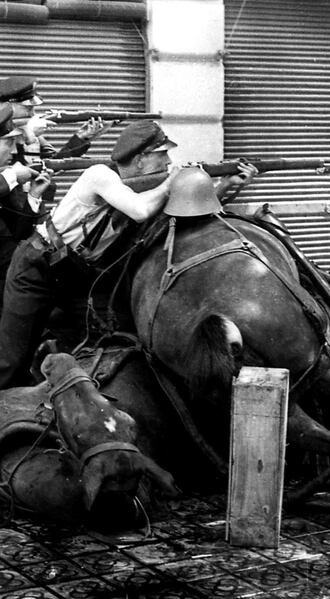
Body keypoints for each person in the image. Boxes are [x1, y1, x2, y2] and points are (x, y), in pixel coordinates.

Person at [0, 120, 257, 389]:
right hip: (37, 266)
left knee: (109, 336)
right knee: (12, 358)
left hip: (75, 274)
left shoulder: (146, 190)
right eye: (162, 155)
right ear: (141, 159)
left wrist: (226, 185)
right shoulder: (99, 175)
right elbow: (140, 210)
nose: (168, 162)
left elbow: (181, 216)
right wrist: (171, 182)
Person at [0, 103, 51, 308]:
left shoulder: (5, 179)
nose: (14, 151)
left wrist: (33, 196)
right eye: (8, 142)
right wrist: (12, 175)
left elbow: (18, 234)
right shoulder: (6, 178)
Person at [0, 75, 106, 162]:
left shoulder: (30, 133)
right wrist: (26, 134)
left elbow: (54, 162)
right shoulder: (25, 132)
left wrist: (81, 138)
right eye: (28, 108)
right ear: (5, 105)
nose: (33, 114)